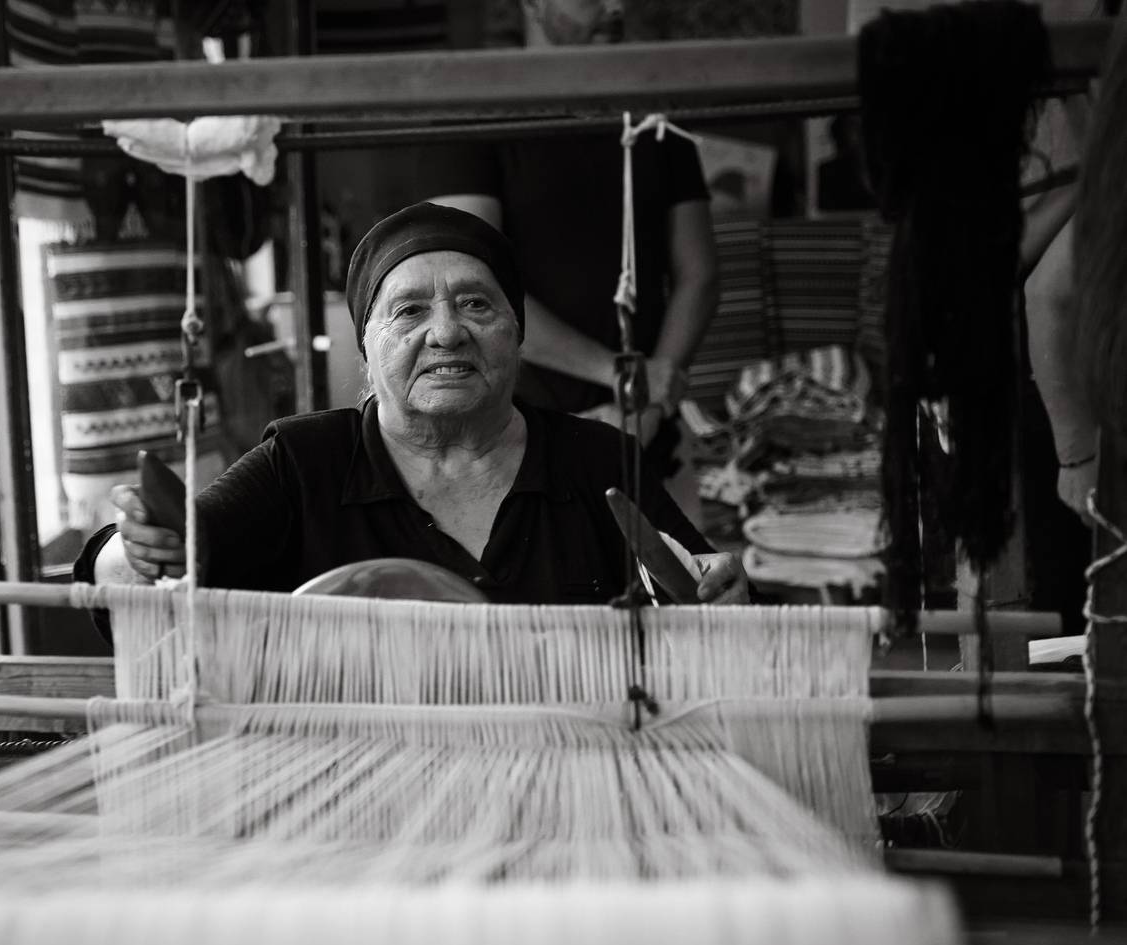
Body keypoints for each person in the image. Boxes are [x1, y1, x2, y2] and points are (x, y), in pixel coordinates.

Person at [77, 202, 748, 606]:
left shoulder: (599, 461)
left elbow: (702, 598)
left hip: (566, 798)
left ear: (516, 337)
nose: (447, 331)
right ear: (366, 350)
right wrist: (136, 553)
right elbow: (171, 562)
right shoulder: (304, 466)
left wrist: (725, 591)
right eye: (410, 310)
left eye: (477, 304)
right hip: (359, 811)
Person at [425, 0, 719, 490]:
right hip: (508, 440)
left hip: (645, 442)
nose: (615, 6)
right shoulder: (474, 108)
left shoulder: (652, 116)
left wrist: (643, 410)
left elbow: (700, 275)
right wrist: (625, 379)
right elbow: (469, 284)